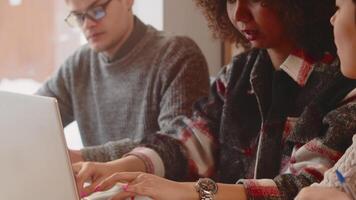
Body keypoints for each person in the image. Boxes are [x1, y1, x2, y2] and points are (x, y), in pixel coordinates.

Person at [73, 0, 356, 199]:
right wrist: (117, 168)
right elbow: (189, 142)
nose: (240, 14)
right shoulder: (238, 72)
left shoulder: (343, 83)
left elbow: (304, 187)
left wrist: (199, 193)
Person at [36, 0, 210, 162]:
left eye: (97, 10)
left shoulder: (177, 55)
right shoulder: (78, 65)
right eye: (78, 17)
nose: (87, 24)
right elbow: (33, 116)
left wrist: (84, 157)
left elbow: (178, 147)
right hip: (106, 191)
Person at [295, 0, 356, 199]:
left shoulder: (335, 86)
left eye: (338, 8)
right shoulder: (237, 72)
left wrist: (205, 192)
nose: (332, 19)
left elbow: (302, 185)